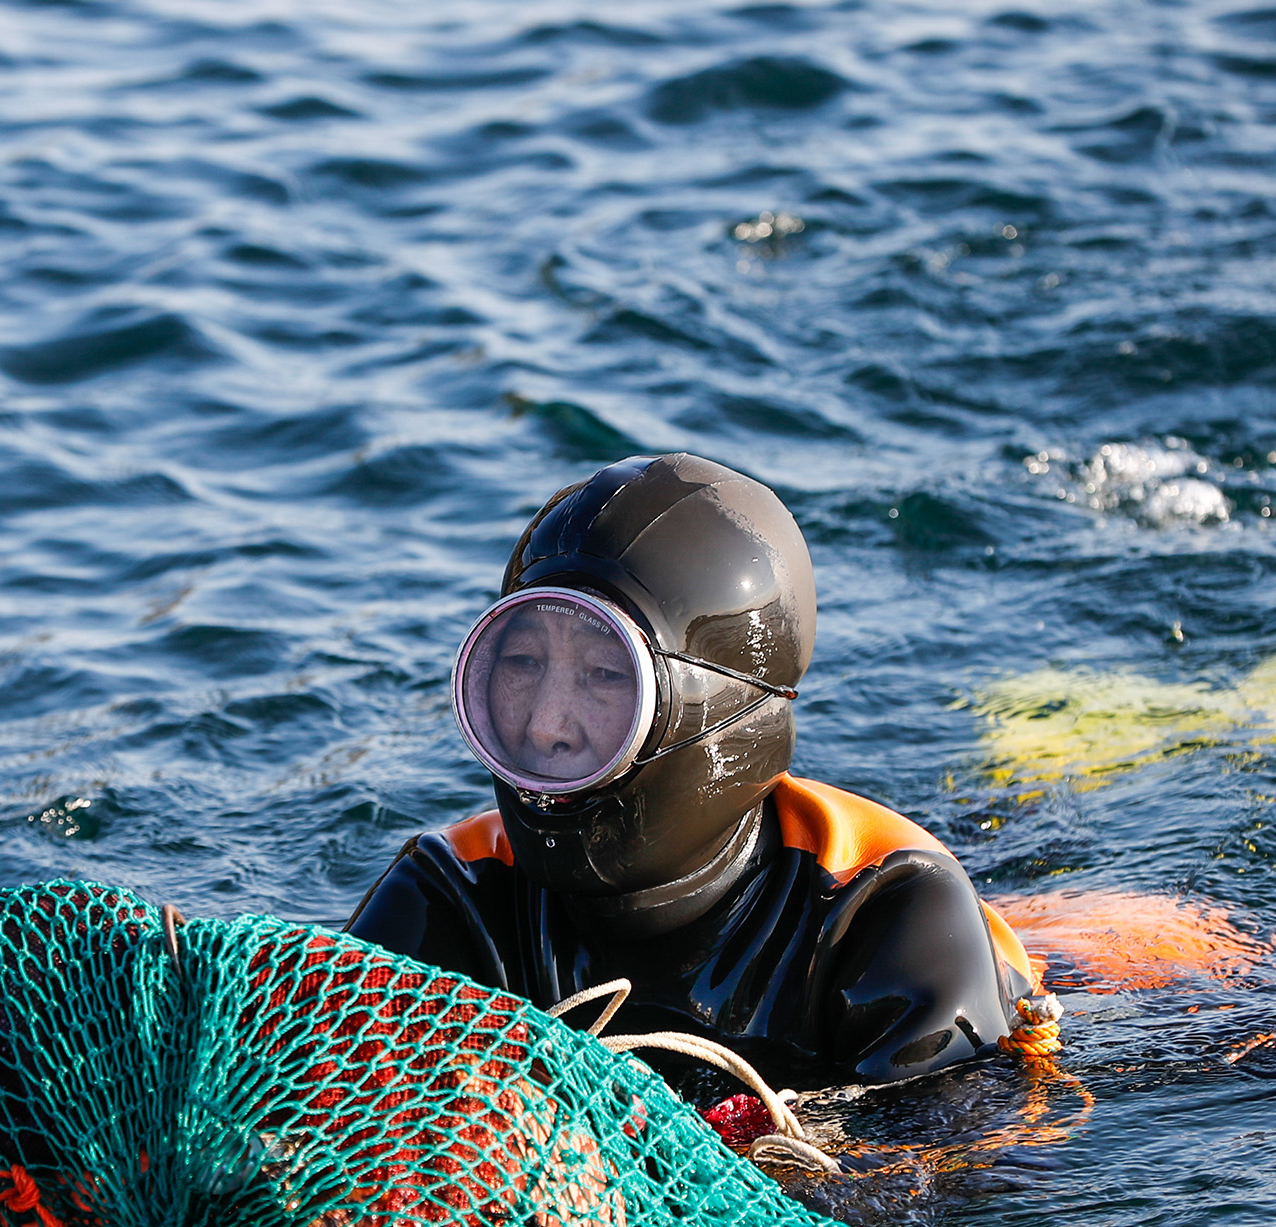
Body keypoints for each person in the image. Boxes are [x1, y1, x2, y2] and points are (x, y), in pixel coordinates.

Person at [345, 452, 1044, 1089]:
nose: (543, 727)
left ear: (728, 712)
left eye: (604, 675)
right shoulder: (454, 894)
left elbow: (941, 1188)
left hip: (1052, 962)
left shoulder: (885, 911)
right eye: (521, 664)